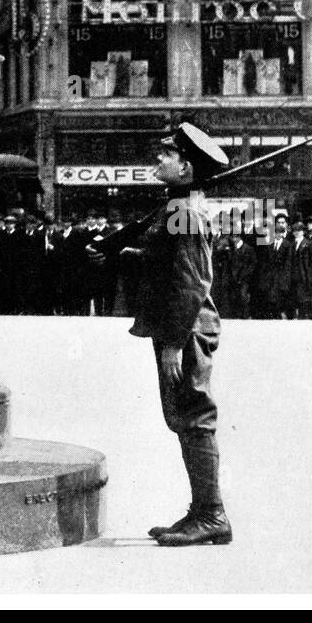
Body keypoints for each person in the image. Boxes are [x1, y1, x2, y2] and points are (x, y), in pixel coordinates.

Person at [119, 122, 233, 546]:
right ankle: (203, 512)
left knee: (193, 416)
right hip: (179, 326)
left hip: (184, 329)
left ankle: (211, 515)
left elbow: (192, 284)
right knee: (185, 416)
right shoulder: (178, 206)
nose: (158, 159)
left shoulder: (183, 212)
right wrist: (129, 253)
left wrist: (172, 344)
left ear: (185, 167)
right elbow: (169, 263)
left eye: (166, 155)